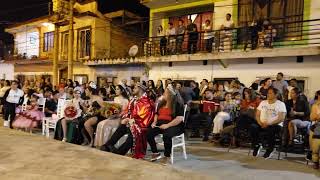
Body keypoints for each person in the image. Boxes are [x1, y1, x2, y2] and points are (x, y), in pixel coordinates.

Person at [100, 84, 155, 159]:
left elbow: (144, 117)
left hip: (141, 125)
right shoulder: (134, 100)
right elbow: (128, 111)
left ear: (141, 89)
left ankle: (119, 152)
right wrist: (125, 118)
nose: (133, 89)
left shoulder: (147, 102)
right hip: (131, 122)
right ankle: (108, 145)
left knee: (133, 134)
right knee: (121, 128)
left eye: (135, 88)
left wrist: (130, 120)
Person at [147, 84, 185, 164]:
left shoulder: (178, 104)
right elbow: (156, 114)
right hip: (160, 123)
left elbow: (179, 118)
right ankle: (155, 153)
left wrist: (167, 125)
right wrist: (154, 122)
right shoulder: (162, 102)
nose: (164, 93)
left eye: (166, 92)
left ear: (171, 93)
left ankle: (167, 155)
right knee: (148, 132)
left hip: (174, 124)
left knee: (167, 135)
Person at [250, 87, 286, 159]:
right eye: (268, 93)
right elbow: (257, 115)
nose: (268, 94)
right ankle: (257, 145)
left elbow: (281, 118)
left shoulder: (280, 104)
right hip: (262, 123)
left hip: (275, 125)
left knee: (271, 130)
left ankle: (270, 149)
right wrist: (260, 123)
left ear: (276, 95)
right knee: (253, 127)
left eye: (270, 93)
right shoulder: (263, 102)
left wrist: (269, 124)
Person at [309, 90, 320, 169]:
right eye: (318, 96)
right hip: (317, 126)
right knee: (315, 147)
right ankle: (315, 162)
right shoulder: (315, 105)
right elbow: (312, 118)